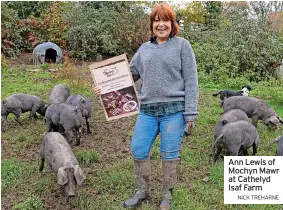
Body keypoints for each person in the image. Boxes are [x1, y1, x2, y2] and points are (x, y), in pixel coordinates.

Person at [93, 3, 198, 210]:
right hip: (148, 110)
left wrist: (190, 113)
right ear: (152, 25)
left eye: (165, 20)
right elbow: (129, 76)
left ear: (172, 24)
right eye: (156, 20)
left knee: (169, 153)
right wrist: (104, 87)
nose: (161, 24)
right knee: (138, 149)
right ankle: (142, 191)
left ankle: (167, 195)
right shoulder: (144, 49)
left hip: (174, 111)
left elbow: (191, 81)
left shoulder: (182, 46)